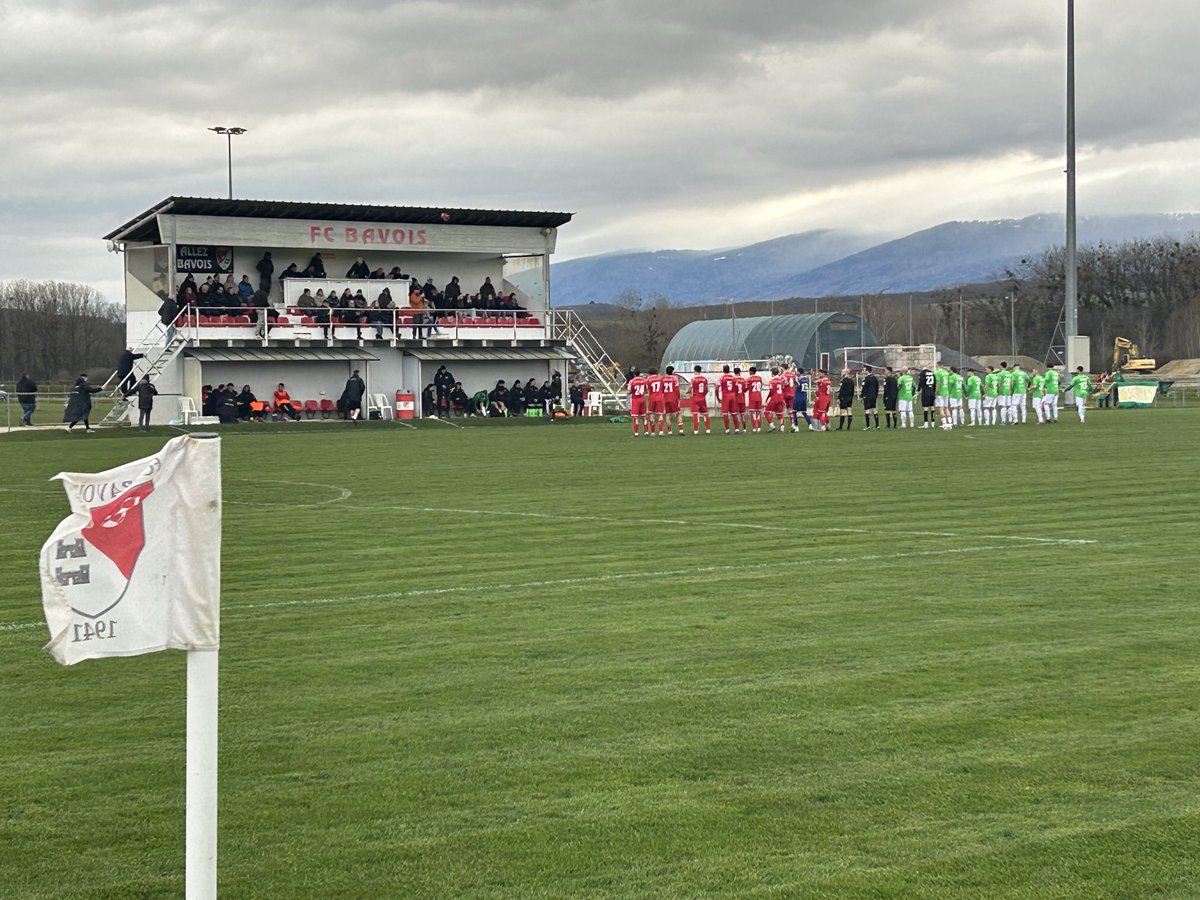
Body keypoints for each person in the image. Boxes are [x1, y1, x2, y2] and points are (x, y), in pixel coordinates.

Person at [764, 366, 788, 433]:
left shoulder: (771, 381)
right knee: (779, 414)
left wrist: (767, 398)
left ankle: (772, 425)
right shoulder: (781, 380)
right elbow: (784, 386)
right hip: (781, 398)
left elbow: (771, 392)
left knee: (766, 412)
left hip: (774, 398)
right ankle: (782, 428)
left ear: (772, 373)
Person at [661, 365, 683, 435]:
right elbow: (677, 389)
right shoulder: (675, 378)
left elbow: (661, 390)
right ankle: (681, 430)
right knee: (678, 413)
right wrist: (679, 398)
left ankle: (669, 431)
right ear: (672, 371)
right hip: (674, 398)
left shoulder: (662, 379)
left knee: (667, 415)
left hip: (666, 398)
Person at [689, 365, 710, 435]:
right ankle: (708, 429)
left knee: (695, 414)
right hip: (702, 398)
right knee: (705, 414)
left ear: (694, 370)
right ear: (700, 370)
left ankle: (696, 430)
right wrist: (703, 394)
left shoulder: (693, 379)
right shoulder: (704, 379)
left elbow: (690, 388)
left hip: (695, 398)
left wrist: (688, 391)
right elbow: (707, 389)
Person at [628, 368, 649, 436]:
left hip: (635, 400)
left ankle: (636, 432)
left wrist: (629, 393)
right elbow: (646, 390)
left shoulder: (632, 381)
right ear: (639, 374)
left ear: (634, 374)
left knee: (635, 416)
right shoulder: (644, 380)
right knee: (644, 416)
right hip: (642, 399)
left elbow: (629, 391)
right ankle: (646, 431)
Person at [717, 365, 737, 433]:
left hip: (725, 396)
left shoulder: (721, 378)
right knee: (734, 413)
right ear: (729, 370)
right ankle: (736, 429)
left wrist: (718, 397)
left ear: (723, 370)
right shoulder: (733, 378)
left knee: (725, 413)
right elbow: (736, 387)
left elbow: (717, 388)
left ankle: (727, 429)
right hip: (733, 395)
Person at [860, 365, 880, 429]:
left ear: (867, 370)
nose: (863, 371)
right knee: (874, 409)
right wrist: (875, 395)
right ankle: (877, 425)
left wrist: (862, 396)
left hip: (867, 396)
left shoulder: (866, 379)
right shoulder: (874, 378)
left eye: (864, 370)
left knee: (867, 410)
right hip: (874, 396)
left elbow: (864, 388)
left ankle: (868, 426)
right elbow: (877, 388)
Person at [933, 361, 952, 430]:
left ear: (937, 365)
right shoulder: (946, 372)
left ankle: (944, 423)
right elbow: (948, 382)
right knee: (946, 408)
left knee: (941, 408)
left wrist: (935, 391)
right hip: (946, 391)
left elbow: (938, 382)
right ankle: (950, 422)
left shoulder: (937, 372)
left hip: (940, 392)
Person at [746, 366, 764, 433]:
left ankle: (754, 428)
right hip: (759, 396)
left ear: (750, 371)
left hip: (752, 397)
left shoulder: (749, 379)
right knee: (759, 412)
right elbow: (761, 386)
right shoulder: (759, 378)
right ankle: (759, 428)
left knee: (752, 413)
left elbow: (746, 388)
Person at [792, 366, 811, 430]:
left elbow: (796, 385)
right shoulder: (806, 379)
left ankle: (796, 427)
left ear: (799, 372)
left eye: (797, 371)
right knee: (804, 412)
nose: (796, 372)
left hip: (798, 397)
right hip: (804, 397)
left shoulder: (798, 379)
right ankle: (810, 425)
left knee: (794, 412)